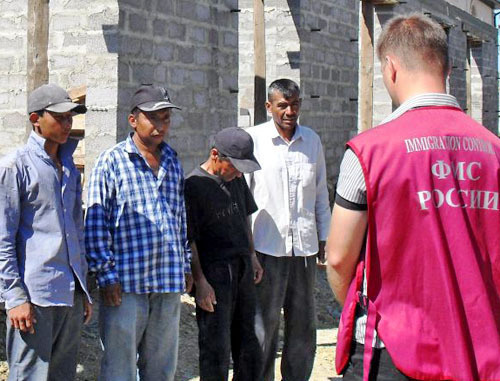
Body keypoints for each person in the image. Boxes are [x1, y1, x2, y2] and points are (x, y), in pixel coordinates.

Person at [326, 13, 500, 380]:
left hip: (394, 350)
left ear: (390, 68)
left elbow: (339, 257)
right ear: (449, 67)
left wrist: (358, 311)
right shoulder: (494, 150)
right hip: (481, 348)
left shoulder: (367, 153)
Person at [85, 84, 192, 381]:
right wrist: (105, 276)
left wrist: (184, 264)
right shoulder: (112, 161)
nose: (161, 126)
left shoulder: (172, 160)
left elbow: (179, 218)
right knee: (119, 368)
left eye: (166, 118)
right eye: (153, 118)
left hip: (166, 282)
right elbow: (95, 223)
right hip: (126, 285)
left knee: (161, 368)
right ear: (133, 120)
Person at [0, 83, 92, 380]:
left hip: (69, 294)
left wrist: (84, 291)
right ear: (35, 119)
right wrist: (15, 297)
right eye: (60, 117)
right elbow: (3, 238)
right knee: (29, 376)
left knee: (61, 376)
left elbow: (76, 231)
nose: (68, 124)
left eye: (70, 117)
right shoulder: (16, 167)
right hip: (35, 297)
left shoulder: (68, 167)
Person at [245, 78, 331, 381]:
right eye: (282, 105)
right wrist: (248, 251)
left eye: (295, 104)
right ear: (269, 106)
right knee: (263, 326)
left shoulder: (312, 141)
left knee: (303, 326)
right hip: (266, 249)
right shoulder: (253, 141)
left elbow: (321, 193)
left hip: (304, 251)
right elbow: (245, 201)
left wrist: (325, 238)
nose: (289, 111)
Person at [185, 127, 263, 381]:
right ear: (216, 155)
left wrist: (251, 255)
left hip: (242, 267)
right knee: (215, 347)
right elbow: (191, 239)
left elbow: (245, 217)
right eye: (235, 165)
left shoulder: (237, 180)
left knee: (249, 343)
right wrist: (200, 282)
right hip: (214, 274)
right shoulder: (194, 186)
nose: (239, 172)